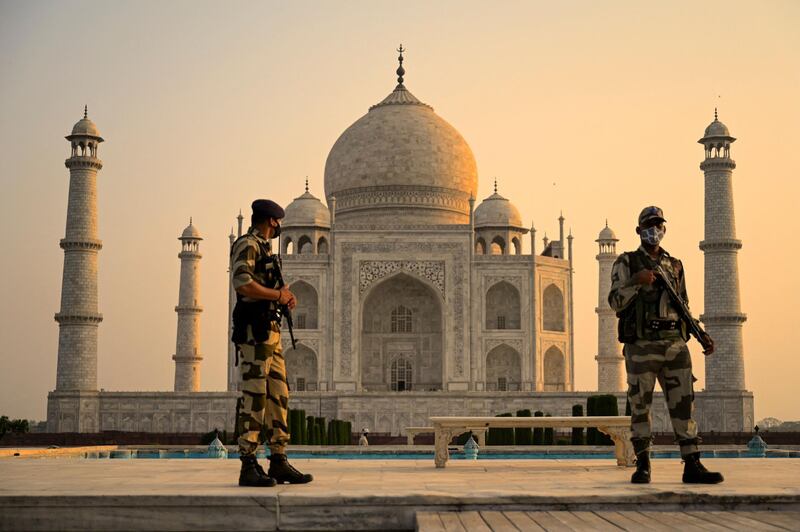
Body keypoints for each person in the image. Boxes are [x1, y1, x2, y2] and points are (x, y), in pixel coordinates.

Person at [608, 206, 723, 485]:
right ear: (639, 231)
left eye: (658, 225)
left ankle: (692, 464)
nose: (654, 231)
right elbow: (614, 302)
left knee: (684, 405)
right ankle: (643, 465)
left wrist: (700, 335)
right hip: (642, 345)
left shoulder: (675, 265)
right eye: (649, 226)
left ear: (664, 229)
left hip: (674, 344)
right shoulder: (627, 263)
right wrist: (637, 281)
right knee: (640, 406)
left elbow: (683, 305)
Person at [230, 199, 313, 487]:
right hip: (255, 332)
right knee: (255, 396)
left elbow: (263, 287)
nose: (279, 227)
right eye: (278, 223)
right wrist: (277, 296)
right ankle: (248, 463)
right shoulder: (248, 244)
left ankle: (278, 460)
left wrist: (283, 295)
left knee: (278, 395)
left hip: (271, 332)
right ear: (272, 221)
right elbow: (242, 283)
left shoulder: (265, 248)